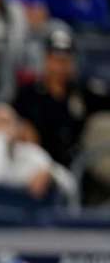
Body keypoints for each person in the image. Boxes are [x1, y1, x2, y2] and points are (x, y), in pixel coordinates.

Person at [12, 27, 110, 173]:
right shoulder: (29, 93)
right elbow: (8, 117)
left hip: (73, 168)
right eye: (56, 60)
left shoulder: (82, 92)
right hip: (36, 168)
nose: (60, 67)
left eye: (65, 60)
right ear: (46, 60)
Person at [0, 103, 77, 214]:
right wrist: (0, 141)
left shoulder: (31, 152)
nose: (8, 128)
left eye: (12, 122)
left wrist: (50, 175)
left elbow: (70, 183)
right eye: (2, 122)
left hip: (26, 225)